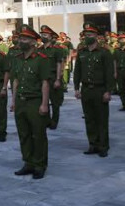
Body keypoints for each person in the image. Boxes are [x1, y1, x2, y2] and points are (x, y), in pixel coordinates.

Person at [10, 24, 50, 179]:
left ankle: (40, 165)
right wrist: (13, 100)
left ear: (34, 42)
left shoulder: (41, 59)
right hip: (21, 101)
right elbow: (15, 81)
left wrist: (44, 104)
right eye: (21, 38)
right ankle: (28, 162)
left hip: (35, 101)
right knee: (24, 134)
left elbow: (45, 82)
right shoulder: (18, 59)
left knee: (38, 134)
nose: (22, 41)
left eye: (25, 38)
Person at [73, 22, 114, 157]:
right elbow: (77, 71)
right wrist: (76, 88)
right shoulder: (82, 52)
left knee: (101, 119)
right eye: (85, 35)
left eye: (90, 34)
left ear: (96, 36)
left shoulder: (104, 52)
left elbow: (109, 73)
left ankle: (103, 145)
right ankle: (92, 144)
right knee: (89, 119)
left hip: (100, 89)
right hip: (86, 90)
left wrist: (108, 91)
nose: (87, 37)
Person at [39, 25, 66, 130]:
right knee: (44, 100)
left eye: (45, 35)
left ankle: (54, 121)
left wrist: (58, 79)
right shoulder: (39, 49)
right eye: (42, 34)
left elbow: (59, 64)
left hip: (53, 78)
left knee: (55, 102)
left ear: (51, 37)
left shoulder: (57, 50)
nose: (43, 36)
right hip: (42, 80)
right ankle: (46, 121)